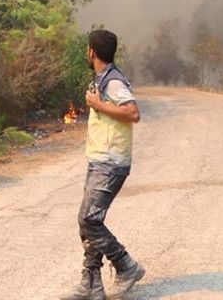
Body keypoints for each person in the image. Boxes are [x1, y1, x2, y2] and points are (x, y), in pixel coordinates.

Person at [60, 28, 145, 300]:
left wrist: (98, 104)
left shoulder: (113, 82)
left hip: (111, 163)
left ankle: (126, 265)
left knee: (88, 219)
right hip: (100, 159)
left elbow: (133, 113)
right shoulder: (103, 78)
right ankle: (92, 286)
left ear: (91, 52)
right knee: (89, 222)